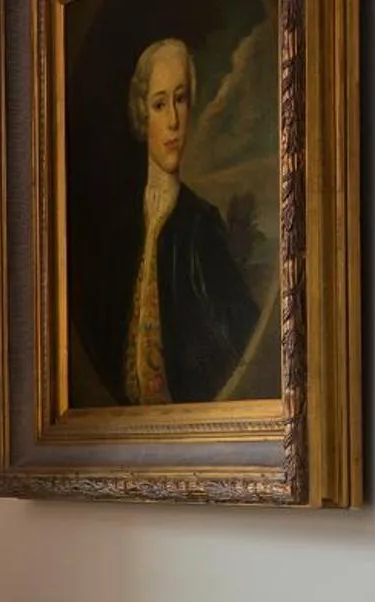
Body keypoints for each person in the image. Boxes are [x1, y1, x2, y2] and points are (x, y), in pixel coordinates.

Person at [109, 37, 260, 406]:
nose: (174, 121)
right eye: (160, 104)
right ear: (142, 115)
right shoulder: (122, 229)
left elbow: (241, 342)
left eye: (181, 99)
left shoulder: (201, 224)